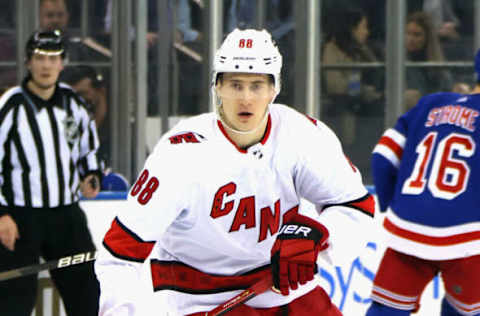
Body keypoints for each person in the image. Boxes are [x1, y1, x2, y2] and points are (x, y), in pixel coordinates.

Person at [95, 28, 375, 316]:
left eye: (256, 85)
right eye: (235, 85)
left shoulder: (301, 135)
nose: (246, 98)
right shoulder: (180, 155)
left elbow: (357, 206)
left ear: (273, 89)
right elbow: (119, 255)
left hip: (287, 293)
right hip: (205, 301)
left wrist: (317, 233)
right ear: (217, 87)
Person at [366, 50, 480, 316]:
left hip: (408, 229)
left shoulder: (431, 103)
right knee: (467, 310)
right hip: (469, 238)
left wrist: (392, 204)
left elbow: (382, 157)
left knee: (386, 310)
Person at [0, 29, 102, 316]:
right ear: (28, 62)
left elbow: (88, 148)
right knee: (13, 302)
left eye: (53, 58)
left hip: (66, 216)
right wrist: (2, 214)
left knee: (86, 295)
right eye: (40, 58)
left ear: (62, 63)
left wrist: (91, 174)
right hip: (21, 218)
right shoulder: (11, 106)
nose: (46, 65)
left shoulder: (73, 103)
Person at [404, 11, 453, 110]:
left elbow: (447, 88)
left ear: (427, 37)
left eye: (416, 35)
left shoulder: (437, 61)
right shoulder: (399, 60)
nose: (410, 39)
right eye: (408, 33)